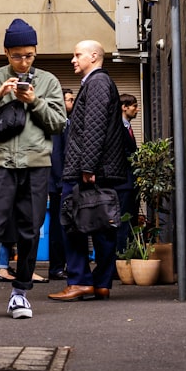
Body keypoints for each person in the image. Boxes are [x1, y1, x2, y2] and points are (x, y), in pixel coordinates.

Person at [0, 18, 66, 322]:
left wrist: (35, 101)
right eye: (17, 55)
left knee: (30, 231)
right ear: (6, 52)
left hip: (36, 166)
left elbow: (58, 123)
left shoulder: (48, 81)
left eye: (29, 55)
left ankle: (20, 293)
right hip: (1, 164)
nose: (23, 61)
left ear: (35, 52)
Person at [49, 40, 126, 303]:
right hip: (97, 168)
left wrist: (87, 167)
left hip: (88, 170)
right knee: (102, 223)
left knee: (73, 223)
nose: (73, 59)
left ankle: (80, 281)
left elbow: (94, 127)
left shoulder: (97, 83)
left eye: (77, 55)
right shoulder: (98, 83)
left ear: (94, 56)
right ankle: (101, 283)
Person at [46, 88, 74, 280]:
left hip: (62, 182)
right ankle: (56, 267)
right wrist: (59, 182)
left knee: (64, 225)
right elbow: (56, 154)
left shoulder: (67, 122)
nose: (72, 103)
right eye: (69, 100)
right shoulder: (57, 123)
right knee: (58, 227)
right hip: (59, 184)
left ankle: (61, 265)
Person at [115, 93, 140, 255]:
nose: (136, 109)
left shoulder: (127, 127)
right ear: (124, 107)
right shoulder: (118, 127)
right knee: (123, 221)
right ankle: (121, 257)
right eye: (134, 106)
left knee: (131, 220)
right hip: (124, 183)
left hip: (130, 183)